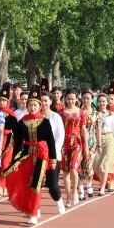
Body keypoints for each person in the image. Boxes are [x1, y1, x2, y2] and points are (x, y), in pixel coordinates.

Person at [3, 84, 57, 225]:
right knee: (26, 182)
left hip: (41, 155)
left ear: (39, 106)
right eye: (30, 105)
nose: (32, 108)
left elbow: (51, 141)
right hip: (27, 154)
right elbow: (18, 141)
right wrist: (15, 159)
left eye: (35, 105)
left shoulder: (44, 121)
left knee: (36, 183)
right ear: (26, 106)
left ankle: (33, 213)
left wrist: (53, 159)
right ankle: (31, 208)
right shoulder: (22, 122)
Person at [39, 80, 66, 216]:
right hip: (37, 154)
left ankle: (59, 201)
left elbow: (60, 137)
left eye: (45, 100)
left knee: (52, 183)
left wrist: (52, 152)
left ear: (50, 101)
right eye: (41, 101)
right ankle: (35, 208)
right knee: (36, 183)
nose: (43, 103)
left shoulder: (56, 117)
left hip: (52, 155)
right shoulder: (35, 117)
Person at [59, 88, 88, 207]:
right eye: (68, 99)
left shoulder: (81, 112)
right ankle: (68, 196)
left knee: (73, 168)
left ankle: (75, 191)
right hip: (64, 142)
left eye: (72, 99)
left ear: (76, 99)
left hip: (77, 142)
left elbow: (83, 130)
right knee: (65, 171)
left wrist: (86, 147)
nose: (70, 101)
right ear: (65, 99)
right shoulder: (61, 112)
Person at [92, 94, 114, 196]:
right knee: (95, 165)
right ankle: (106, 181)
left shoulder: (111, 115)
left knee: (105, 164)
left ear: (107, 102)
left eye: (104, 101)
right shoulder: (94, 114)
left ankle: (102, 188)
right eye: (99, 101)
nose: (101, 103)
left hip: (108, 138)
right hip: (96, 139)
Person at [0, 82, 17, 197]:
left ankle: (2, 185)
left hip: (8, 140)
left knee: (4, 164)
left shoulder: (11, 115)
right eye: (0, 100)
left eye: (4, 100)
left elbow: (16, 130)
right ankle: (0, 185)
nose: (2, 102)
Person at [79, 90, 100, 200]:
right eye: (84, 98)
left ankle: (89, 184)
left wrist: (99, 144)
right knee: (78, 165)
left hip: (91, 142)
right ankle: (81, 190)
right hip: (78, 141)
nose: (86, 100)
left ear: (92, 99)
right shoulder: (78, 112)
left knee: (88, 164)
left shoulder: (96, 114)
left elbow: (98, 129)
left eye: (88, 98)